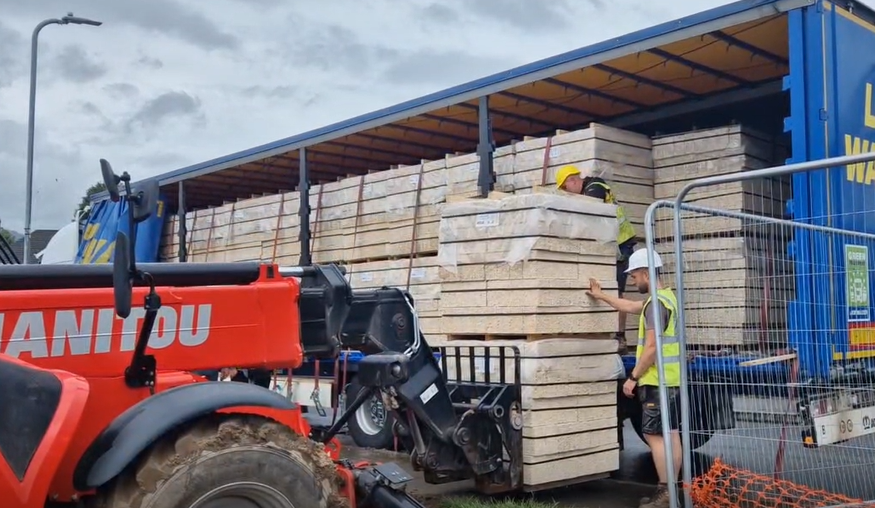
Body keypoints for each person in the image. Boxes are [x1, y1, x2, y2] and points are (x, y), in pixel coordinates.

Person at [586, 248, 682, 508]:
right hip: (670, 380)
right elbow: (629, 306)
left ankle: (664, 494)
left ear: (646, 273)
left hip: (655, 380)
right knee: (671, 433)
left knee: (654, 436)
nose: (633, 281)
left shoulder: (656, 305)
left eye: (635, 276)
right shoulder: (666, 298)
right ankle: (673, 491)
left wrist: (633, 377)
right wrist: (601, 296)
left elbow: (652, 347)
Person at [556, 164, 637, 350]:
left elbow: (589, 210)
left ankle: (620, 336)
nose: (566, 192)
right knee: (601, 287)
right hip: (605, 246)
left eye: (565, 188)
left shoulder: (596, 187)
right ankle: (604, 331)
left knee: (616, 290)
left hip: (620, 245)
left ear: (573, 180)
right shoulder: (587, 189)